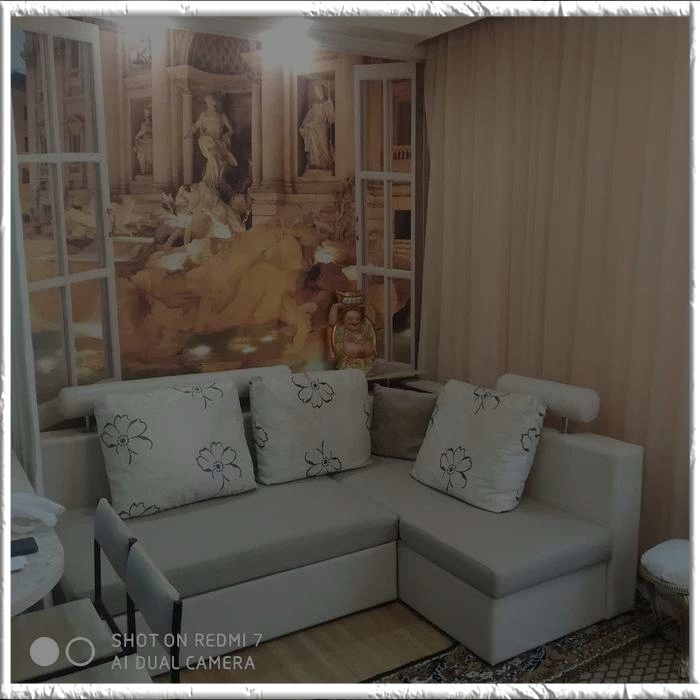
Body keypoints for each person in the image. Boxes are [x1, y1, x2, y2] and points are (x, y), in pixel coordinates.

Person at [186, 94, 237, 187]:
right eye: (211, 100)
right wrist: (189, 133)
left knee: (220, 162)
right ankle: (214, 182)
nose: (213, 103)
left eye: (214, 100)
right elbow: (196, 125)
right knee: (213, 158)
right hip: (208, 141)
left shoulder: (222, 116)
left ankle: (216, 181)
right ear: (208, 102)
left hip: (218, 142)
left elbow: (231, 129)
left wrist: (226, 135)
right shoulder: (204, 115)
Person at [299, 82, 335, 171]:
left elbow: (331, 118)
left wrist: (330, 103)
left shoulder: (327, 103)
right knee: (310, 130)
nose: (318, 93)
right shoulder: (315, 105)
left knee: (324, 146)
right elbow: (308, 117)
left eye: (319, 90)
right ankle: (315, 162)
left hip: (323, 127)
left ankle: (326, 164)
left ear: (323, 91)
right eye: (316, 91)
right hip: (314, 126)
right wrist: (304, 124)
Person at [133, 106, 153, 175]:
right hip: (143, 141)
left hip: (150, 141)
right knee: (140, 154)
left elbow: (145, 131)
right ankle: (143, 171)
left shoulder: (152, 123)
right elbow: (141, 131)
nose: (145, 114)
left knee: (149, 155)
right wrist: (137, 138)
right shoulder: (143, 123)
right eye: (144, 113)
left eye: (147, 113)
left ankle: (149, 171)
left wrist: (145, 132)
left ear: (150, 114)